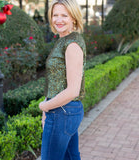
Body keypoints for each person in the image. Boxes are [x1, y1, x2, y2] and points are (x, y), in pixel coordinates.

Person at [39, 0, 86, 159]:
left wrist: (45, 106)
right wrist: (47, 110)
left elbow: (73, 90)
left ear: (73, 18)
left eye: (64, 15)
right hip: (65, 111)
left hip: (62, 112)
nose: (58, 19)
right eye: (55, 15)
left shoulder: (72, 44)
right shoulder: (65, 40)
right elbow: (55, 81)